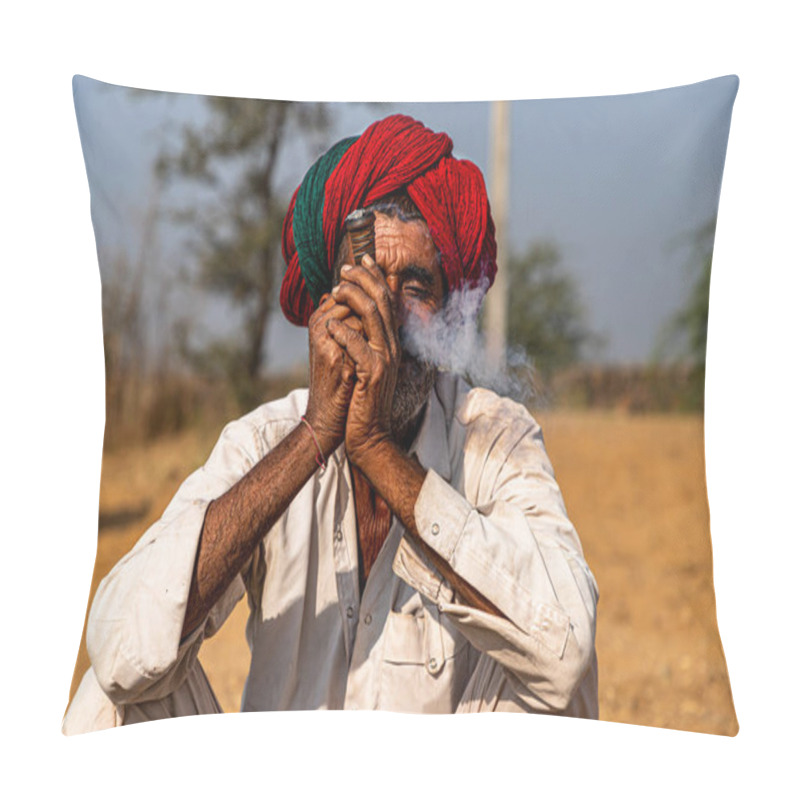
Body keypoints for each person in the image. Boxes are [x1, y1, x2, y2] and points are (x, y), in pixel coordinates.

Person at [63, 114, 598, 733]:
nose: (385, 317)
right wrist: (317, 435)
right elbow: (121, 644)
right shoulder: (267, 438)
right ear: (325, 305)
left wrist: (376, 452)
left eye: (415, 287)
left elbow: (567, 646)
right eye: (364, 284)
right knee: (118, 690)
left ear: (450, 314)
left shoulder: (493, 437)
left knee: (557, 663)